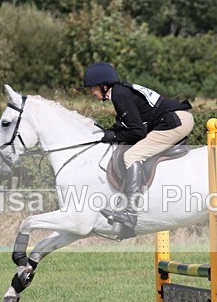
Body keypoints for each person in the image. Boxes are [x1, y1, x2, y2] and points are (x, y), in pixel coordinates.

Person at [83, 62, 194, 238]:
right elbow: (129, 124)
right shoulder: (120, 91)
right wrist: (111, 132)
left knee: (132, 155)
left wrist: (113, 137)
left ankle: (129, 212)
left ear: (104, 85)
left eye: (92, 88)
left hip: (175, 122)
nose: (91, 93)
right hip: (176, 118)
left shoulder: (119, 95)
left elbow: (138, 132)